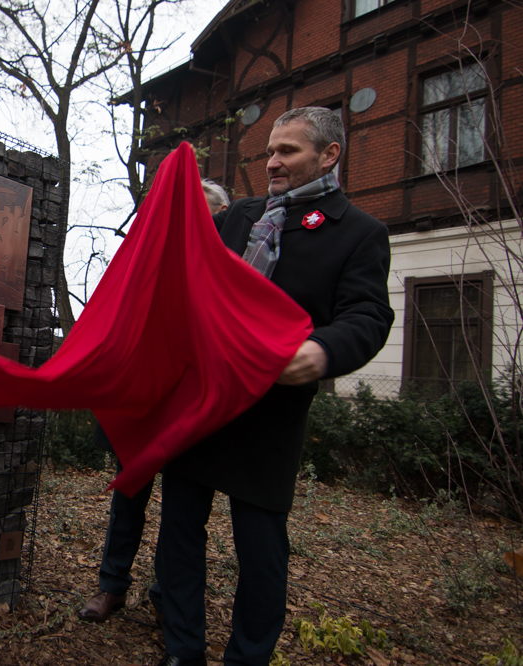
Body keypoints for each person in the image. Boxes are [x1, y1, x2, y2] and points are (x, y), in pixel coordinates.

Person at [152, 107, 394, 666]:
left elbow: (367, 315)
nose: (272, 162)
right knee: (179, 535)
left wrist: (323, 350)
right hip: (202, 403)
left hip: (270, 416)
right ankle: (182, 651)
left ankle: (247, 658)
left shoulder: (360, 232)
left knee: (261, 554)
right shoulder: (237, 217)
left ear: (329, 154)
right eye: (268, 152)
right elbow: (183, 273)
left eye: (287, 151)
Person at [78, 179, 231, 623]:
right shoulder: (154, 255)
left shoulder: (226, 264)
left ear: (221, 216)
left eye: (203, 212)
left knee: (184, 515)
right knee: (128, 499)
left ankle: (170, 595)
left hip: (192, 408)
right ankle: (112, 587)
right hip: (143, 404)